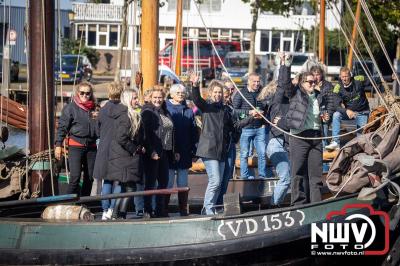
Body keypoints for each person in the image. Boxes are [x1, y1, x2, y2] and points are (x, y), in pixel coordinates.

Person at [192, 75, 257, 215]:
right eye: (215, 92)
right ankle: (207, 208)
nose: (217, 94)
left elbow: (235, 126)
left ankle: (213, 207)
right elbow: (196, 100)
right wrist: (195, 85)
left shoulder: (226, 110)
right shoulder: (207, 107)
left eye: (219, 92)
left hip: (221, 151)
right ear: (210, 93)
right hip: (208, 150)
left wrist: (251, 118)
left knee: (220, 181)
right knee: (215, 181)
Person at [282, 52, 329, 205]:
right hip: (299, 137)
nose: (312, 84)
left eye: (314, 82)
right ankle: (298, 204)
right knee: (298, 173)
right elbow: (285, 84)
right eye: (309, 82)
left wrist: (325, 116)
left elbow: (325, 109)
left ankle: (316, 205)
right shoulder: (296, 94)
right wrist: (286, 65)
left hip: (315, 137)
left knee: (315, 175)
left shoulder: (319, 95)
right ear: (302, 83)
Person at [107, 88, 145, 219]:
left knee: (125, 187)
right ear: (128, 99)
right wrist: (134, 149)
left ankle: (117, 214)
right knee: (129, 188)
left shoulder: (129, 114)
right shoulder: (126, 116)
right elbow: (121, 137)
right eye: (134, 98)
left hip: (123, 157)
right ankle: (119, 214)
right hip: (124, 157)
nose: (137, 101)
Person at [55, 82, 97, 196]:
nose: (85, 95)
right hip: (76, 146)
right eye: (82, 93)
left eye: (87, 93)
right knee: (75, 177)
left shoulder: (94, 108)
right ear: (77, 93)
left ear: (91, 94)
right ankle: (66, 204)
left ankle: (84, 204)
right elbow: (62, 127)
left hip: (92, 147)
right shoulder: (70, 108)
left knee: (89, 178)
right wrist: (58, 144)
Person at [257, 79, 291, 206]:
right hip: (276, 143)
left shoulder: (283, 102)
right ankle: (274, 205)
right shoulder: (277, 102)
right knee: (286, 177)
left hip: (285, 143)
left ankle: (277, 203)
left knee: (290, 177)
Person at [141, 87, 174, 218]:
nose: (157, 99)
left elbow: (171, 131)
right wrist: (151, 151)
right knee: (150, 182)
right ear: (150, 98)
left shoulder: (165, 111)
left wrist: (174, 150)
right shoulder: (147, 112)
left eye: (160, 97)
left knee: (163, 181)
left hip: (164, 152)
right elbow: (145, 135)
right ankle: (148, 210)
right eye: (155, 97)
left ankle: (160, 209)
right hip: (153, 153)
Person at [166, 84, 198, 216]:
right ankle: (163, 208)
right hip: (169, 151)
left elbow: (194, 133)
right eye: (178, 92)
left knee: (183, 183)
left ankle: (183, 210)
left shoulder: (189, 111)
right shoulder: (165, 108)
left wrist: (194, 151)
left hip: (185, 152)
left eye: (183, 93)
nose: (181, 94)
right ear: (171, 94)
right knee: (167, 182)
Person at [93, 82, 123, 220]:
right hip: (120, 149)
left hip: (104, 149)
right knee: (118, 181)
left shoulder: (103, 110)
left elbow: (98, 130)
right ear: (120, 92)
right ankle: (113, 208)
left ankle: (105, 210)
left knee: (107, 181)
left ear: (109, 93)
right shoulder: (124, 110)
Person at [325, 67, 370, 150]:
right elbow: (336, 106)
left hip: (362, 112)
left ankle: (359, 148)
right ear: (340, 77)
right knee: (336, 115)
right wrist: (346, 111)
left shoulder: (358, 79)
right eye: (343, 77)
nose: (345, 79)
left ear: (350, 75)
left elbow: (373, 79)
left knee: (360, 141)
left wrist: (389, 78)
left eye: (346, 76)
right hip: (348, 113)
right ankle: (336, 142)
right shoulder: (338, 87)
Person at [232, 73, 267, 179]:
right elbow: (234, 111)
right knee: (244, 154)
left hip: (260, 128)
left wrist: (263, 116)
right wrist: (249, 112)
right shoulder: (241, 93)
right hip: (246, 128)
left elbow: (266, 107)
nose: (257, 84)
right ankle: (244, 176)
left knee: (262, 154)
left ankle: (262, 176)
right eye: (254, 81)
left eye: (258, 81)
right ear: (248, 81)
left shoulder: (262, 93)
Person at [309, 65, 337, 147]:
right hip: (312, 114)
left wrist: (328, 114)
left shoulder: (328, 86)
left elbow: (331, 103)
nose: (315, 77)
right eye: (313, 75)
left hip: (324, 112)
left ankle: (324, 146)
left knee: (323, 124)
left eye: (318, 74)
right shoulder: (309, 86)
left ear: (321, 75)